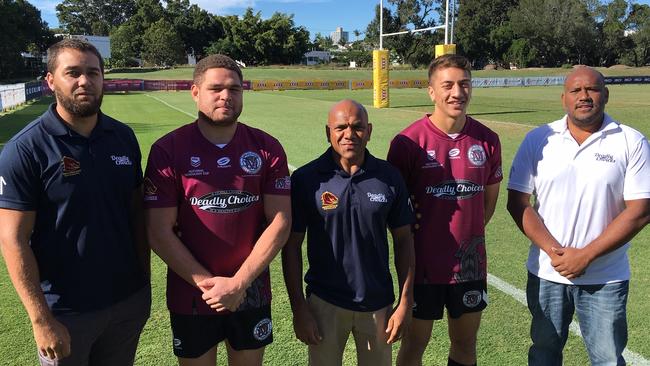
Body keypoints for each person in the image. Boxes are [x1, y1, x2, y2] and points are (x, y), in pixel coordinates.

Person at [0, 38, 150, 365]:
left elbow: (137, 212)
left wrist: (144, 286)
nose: (85, 81)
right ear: (50, 80)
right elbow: (13, 239)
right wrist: (41, 319)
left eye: (93, 73)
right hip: (66, 312)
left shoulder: (122, 136)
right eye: (73, 73)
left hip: (126, 302)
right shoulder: (25, 149)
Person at [143, 54, 291, 366]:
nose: (226, 96)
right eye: (216, 89)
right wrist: (208, 285)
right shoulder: (168, 150)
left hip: (251, 289)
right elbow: (158, 231)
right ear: (195, 92)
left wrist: (238, 284)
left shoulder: (266, 148)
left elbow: (280, 222)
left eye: (234, 89)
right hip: (192, 294)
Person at [506, 66, 650, 365]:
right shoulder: (538, 139)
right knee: (544, 354)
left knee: (608, 359)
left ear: (605, 94)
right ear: (564, 99)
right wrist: (556, 252)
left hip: (606, 278)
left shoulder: (630, 141)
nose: (584, 96)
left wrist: (586, 255)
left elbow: (640, 210)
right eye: (576, 91)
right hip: (547, 273)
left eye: (592, 89)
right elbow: (518, 202)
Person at [387, 54, 503, 366]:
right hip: (421, 267)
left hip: (469, 264)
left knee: (465, 345)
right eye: (448, 85)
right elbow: (394, 208)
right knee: (413, 346)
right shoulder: (407, 142)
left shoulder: (488, 140)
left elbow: (487, 205)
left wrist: (468, 233)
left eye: (464, 84)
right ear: (432, 92)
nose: (457, 92)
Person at [282, 99, 415, 366]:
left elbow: (404, 240)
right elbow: (292, 246)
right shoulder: (307, 179)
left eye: (358, 127)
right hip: (324, 303)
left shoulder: (389, 177)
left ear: (369, 130)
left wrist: (405, 304)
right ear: (328, 131)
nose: (349, 134)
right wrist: (299, 309)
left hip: (377, 303)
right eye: (340, 127)